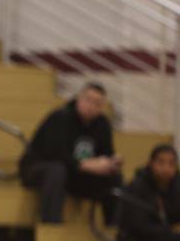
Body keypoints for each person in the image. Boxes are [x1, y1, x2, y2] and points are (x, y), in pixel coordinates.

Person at [19, 82, 123, 224]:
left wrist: (111, 162)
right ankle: (51, 226)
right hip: (38, 168)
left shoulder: (102, 124)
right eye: (88, 100)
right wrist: (86, 165)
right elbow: (55, 154)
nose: (91, 106)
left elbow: (106, 153)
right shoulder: (60, 117)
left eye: (97, 103)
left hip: (73, 173)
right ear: (79, 99)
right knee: (57, 170)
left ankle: (114, 231)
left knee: (114, 177)